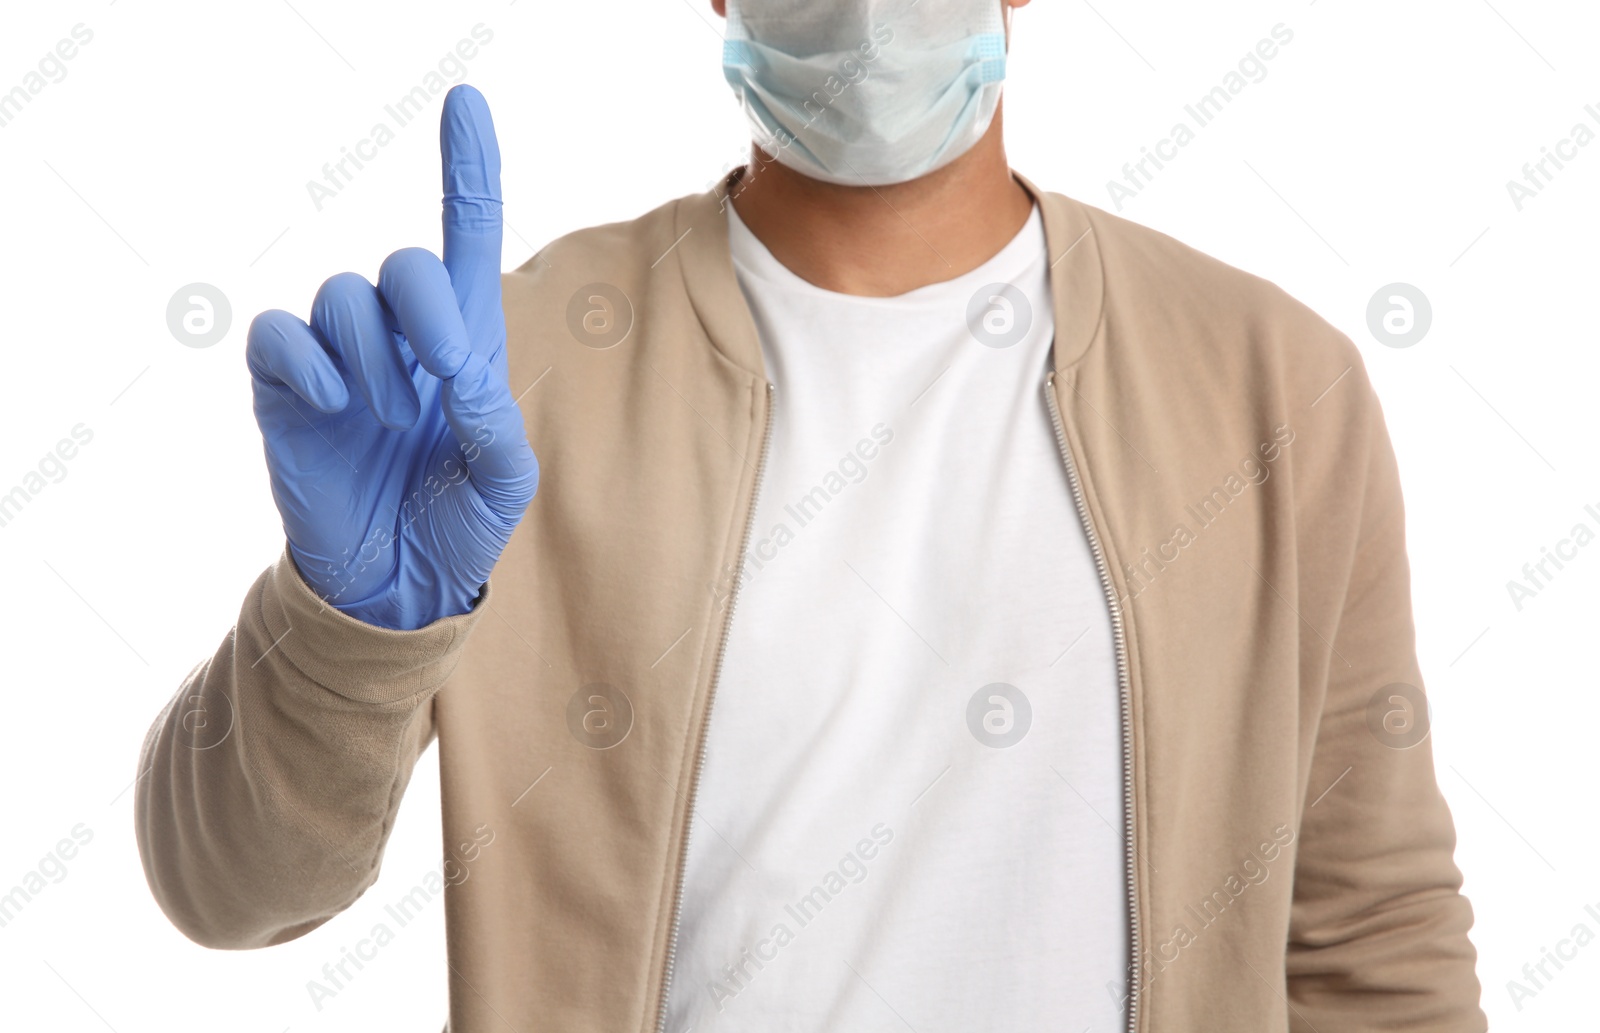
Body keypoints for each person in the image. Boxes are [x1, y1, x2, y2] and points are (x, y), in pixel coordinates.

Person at [134, 0, 1487, 1029]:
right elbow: (229, 888)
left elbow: (1374, 940)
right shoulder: (514, 379)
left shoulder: (1269, 386)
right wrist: (347, 628)